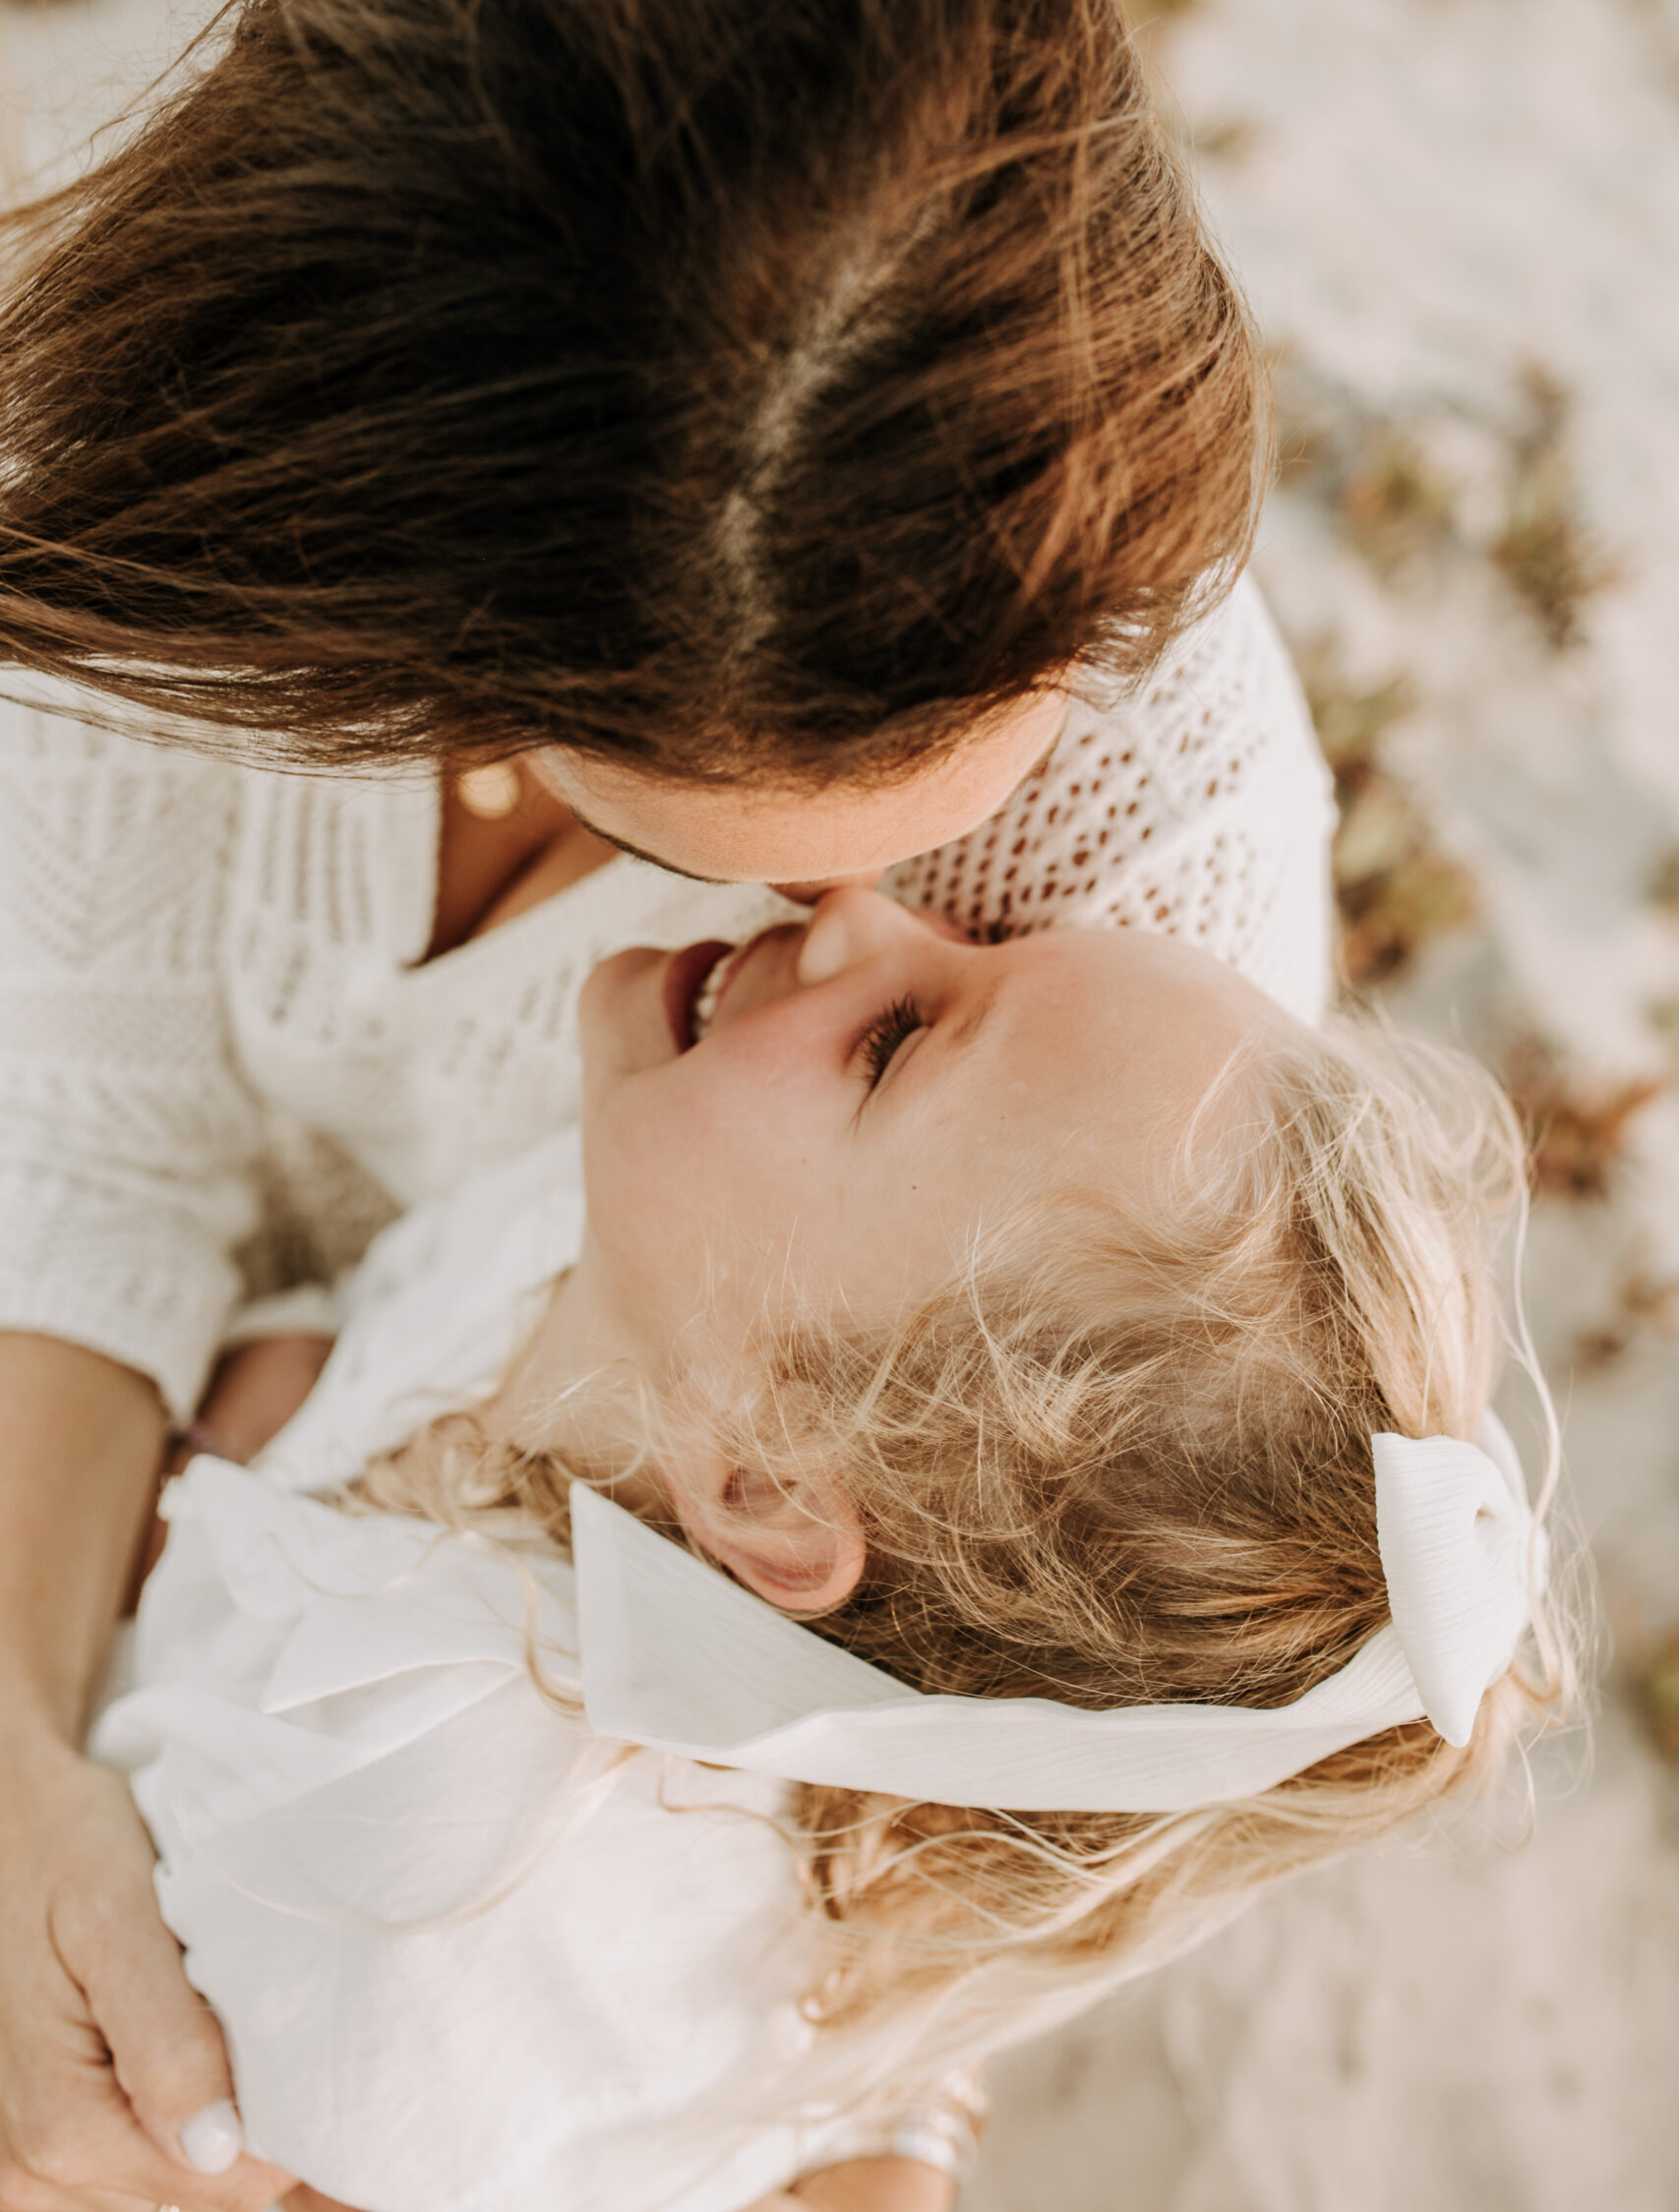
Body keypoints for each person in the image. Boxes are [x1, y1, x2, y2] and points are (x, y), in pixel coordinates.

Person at [0, 0, 1333, 2212]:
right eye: (783, 842)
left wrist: (843, 2124)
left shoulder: (1138, 866)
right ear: (439, 671)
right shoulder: (200, 498)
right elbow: (85, 1163)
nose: (907, 907)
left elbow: (993, 1659)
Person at [94, 888, 1572, 2212]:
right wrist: (275, 1408)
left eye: (893, 1043)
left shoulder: (422, 1868)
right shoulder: (657, 1273)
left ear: (769, 1489)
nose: (871, 913)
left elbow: (163, 2072)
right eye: (989, 943)